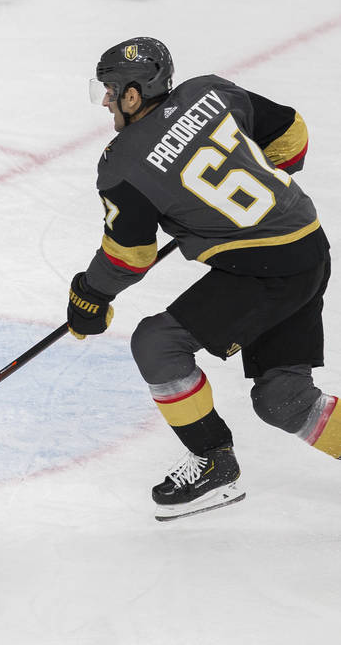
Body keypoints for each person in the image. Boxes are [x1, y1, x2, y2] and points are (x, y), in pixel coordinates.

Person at [68, 36, 336, 522]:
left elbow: (130, 255)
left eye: (110, 89)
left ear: (133, 94)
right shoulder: (210, 92)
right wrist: (256, 180)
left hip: (265, 270)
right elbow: (292, 133)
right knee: (284, 400)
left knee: (157, 344)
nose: (106, 99)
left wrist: (89, 297)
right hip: (310, 248)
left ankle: (214, 461)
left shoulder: (122, 164)